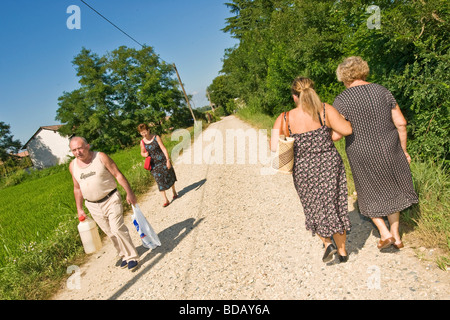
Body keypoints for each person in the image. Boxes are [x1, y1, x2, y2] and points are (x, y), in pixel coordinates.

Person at [333, 56, 419, 250]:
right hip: (390, 149)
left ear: (344, 76)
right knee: (392, 189)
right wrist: (403, 150)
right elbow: (401, 123)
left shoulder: (342, 100)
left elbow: (337, 135)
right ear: (364, 70)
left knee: (367, 191)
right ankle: (396, 236)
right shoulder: (383, 91)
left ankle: (384, 233)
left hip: (361, 152)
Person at [271, 77, 353, 263]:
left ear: (294, 97)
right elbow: (345, 130)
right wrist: (332, 134)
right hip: (330, 166)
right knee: (335, 206)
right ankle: (342, 252)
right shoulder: (325, 110)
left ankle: (327, 244)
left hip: (304, 170)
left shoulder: (284, 118)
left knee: (314, 207)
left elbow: (274, 146)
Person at [69, 136, 139, 270]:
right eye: (74, 150)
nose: (78, 152)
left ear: (88, 146)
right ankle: (123, 254)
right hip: (92, 204)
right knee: (109, 232)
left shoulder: (100, 157)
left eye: (80, 148)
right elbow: (77, 188)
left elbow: (117, 174)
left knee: (117, 228)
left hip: (110, 198)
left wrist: (129, 192)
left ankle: (132, 257)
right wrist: (79, 208)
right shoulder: (73, 166)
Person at [138, 123, 178, 207]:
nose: (144, 134)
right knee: (159, 180)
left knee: (169, 175)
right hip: (153, 165)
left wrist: (168, 160)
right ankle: (165, 199)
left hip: (163, 161)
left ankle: (174, 191)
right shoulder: (142, 142)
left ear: (148, 130)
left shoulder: (156, 137)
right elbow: (142, 152)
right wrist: (144, 155)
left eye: (145, 132)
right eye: (142, 133)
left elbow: (163, 148)